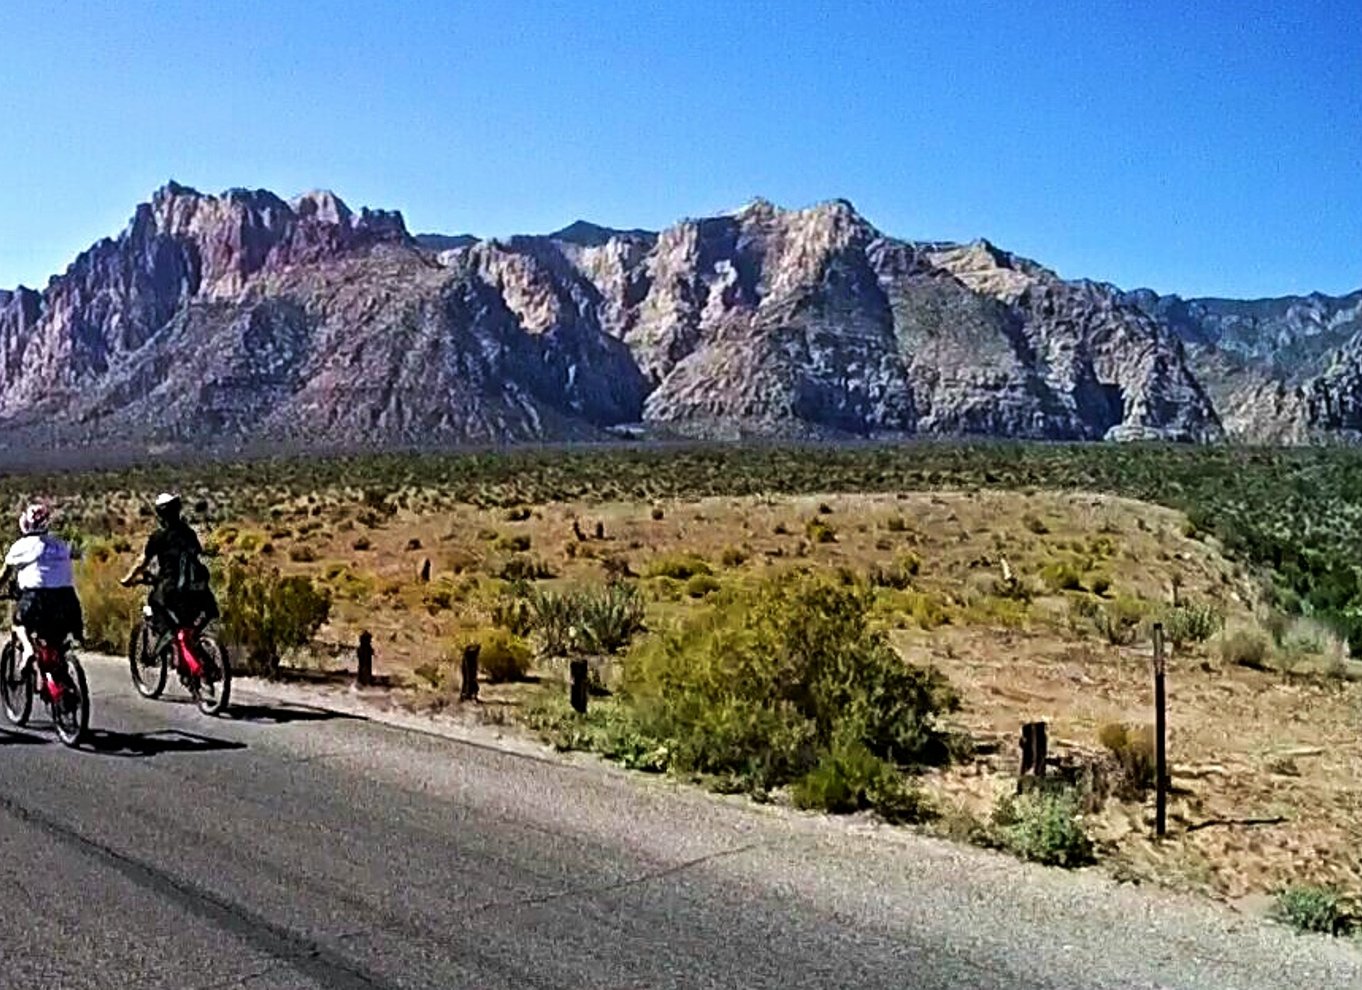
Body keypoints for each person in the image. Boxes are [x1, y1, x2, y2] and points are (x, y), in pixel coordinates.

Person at [0, 502, 84, 674]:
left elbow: (4, 575)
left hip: (36, 598)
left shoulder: (21, 546)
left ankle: (28, 649)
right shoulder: (61, 544)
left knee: (18, 623)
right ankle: (61, 676)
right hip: (68, 598)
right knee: (57, 641)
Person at [120, 493, 219, 630]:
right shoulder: (189, 533)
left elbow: (142, 562)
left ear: (161, 514)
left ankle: (169, 640)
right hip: (199, 586)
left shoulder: (159, 536)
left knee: (156, 606)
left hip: (172, 588)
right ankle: (195, 639)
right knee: (197, 619)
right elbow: (196, 552)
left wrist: (128, 579)